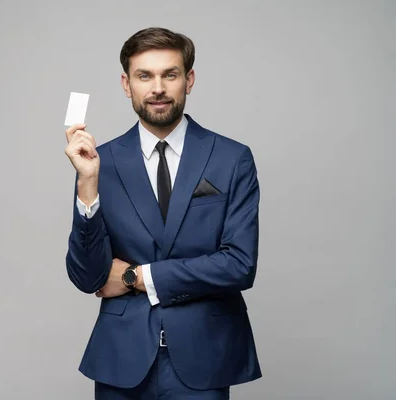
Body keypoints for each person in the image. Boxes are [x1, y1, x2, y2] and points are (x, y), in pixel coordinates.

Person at [64, 27, 262, 400]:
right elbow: (88, 276)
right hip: (121, 359)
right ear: (127, 84)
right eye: (144, 76)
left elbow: (239, 264)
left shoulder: (231, 158)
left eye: (169, 74)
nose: (158, 88)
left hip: (205, 357)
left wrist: (135, 276)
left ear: (188, 79)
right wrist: (87, 185)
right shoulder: (99, 162)